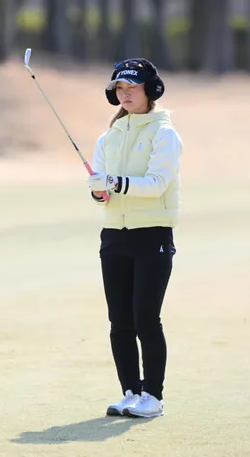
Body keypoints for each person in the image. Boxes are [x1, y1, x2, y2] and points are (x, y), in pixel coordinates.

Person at [87, 58, 183, 419]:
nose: (125, 94)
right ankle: (130, 391)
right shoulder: (109, 136)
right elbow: (103, 188)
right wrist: (99, 191)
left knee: (146, 318)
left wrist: (113, 183)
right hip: (114, 235)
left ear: (150, 90)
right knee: (120, 321)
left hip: (152, 234)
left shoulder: (164, 134)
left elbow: (156, 184)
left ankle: (153, 397)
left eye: (132, 87)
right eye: (120, 88)